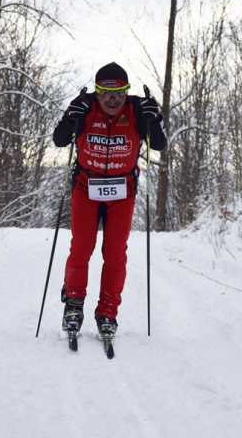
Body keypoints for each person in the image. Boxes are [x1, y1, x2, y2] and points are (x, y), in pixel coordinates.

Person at [52, 62, 167, 340]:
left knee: (115, 253)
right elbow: (59, 140)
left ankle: (107, 312)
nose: (112, 100)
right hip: (85, 188)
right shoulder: (83, 106)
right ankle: (74, 305)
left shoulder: (139, 110)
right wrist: (70, 118)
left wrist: (154, 119)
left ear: (127, 93)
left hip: (122, 192)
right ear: (97, 92)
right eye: (105, 93)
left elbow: (160, 144)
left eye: (119, 93)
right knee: (81, 248)